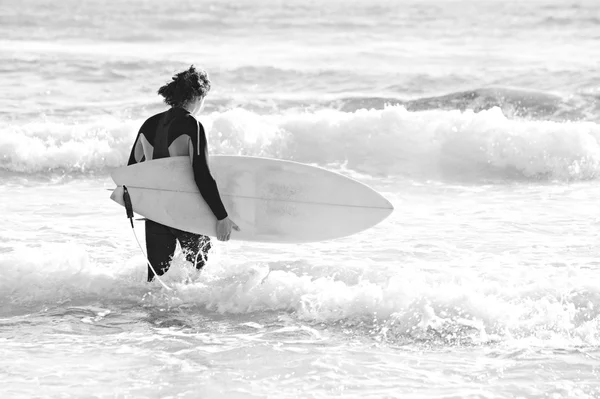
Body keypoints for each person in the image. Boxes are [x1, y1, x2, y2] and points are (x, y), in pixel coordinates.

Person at [126, 65, 239, 282]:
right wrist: (222, 216)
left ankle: (152, 317)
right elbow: (202, 175)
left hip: (156, 213)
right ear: (198, 96)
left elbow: (132, 173)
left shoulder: (149, 124)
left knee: (156, 281)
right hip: (187, 212)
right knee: (197, 277)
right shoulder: (192, 125)